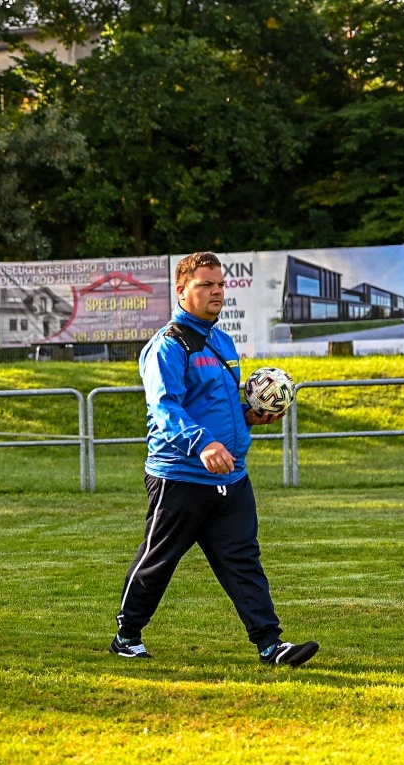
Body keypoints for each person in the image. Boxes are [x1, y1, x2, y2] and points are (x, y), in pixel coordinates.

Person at [112, 251, 318, 666]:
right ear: (182, 290)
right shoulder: (167, 345)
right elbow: (166, 407)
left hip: (232, 477)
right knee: (159, 559)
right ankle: (127, 635)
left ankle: (270, 644)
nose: (216, 292)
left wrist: (250, 418)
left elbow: (216, 405)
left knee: (243, 559)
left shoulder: (222, 342)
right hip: (181, 474)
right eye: (206, 285)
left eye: (221, 285)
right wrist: (203, 444)